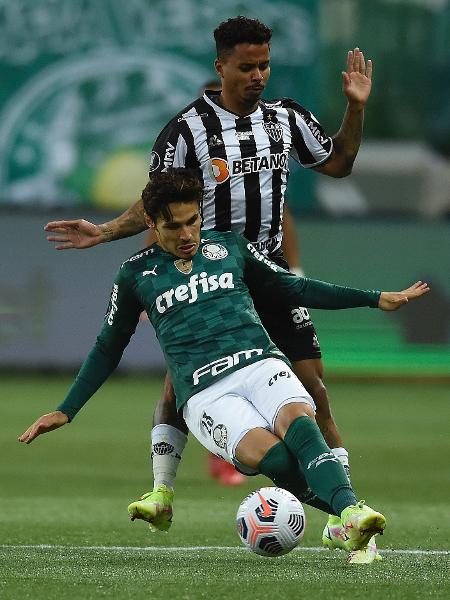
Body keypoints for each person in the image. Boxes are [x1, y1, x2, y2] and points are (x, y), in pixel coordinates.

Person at [43, 16, 375, 559]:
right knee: (184, 382)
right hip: (210, 277)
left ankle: (349, 515)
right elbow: (155, 203)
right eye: (247, 67)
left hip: (267, 279)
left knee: (315, 393)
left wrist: (355, 107)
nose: (258, 76)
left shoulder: (286, 118)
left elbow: (338, 162)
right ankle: (162, 491)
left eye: (264, 65)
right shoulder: (187, 131)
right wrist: (105, 232)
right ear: (220, 66)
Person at [20, 169, 429, 561]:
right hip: (204, 392)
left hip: (259, 362)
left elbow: (294, 287)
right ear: (150, 222)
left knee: (302, 424)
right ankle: (341, 517)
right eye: (173, 226)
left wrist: (375, 297)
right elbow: (108, 346)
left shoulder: (229, 246)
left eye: (193, 221)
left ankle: (352, 513)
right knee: (277, 461)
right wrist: (66, 409)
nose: (186, 234)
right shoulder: (135, 275)